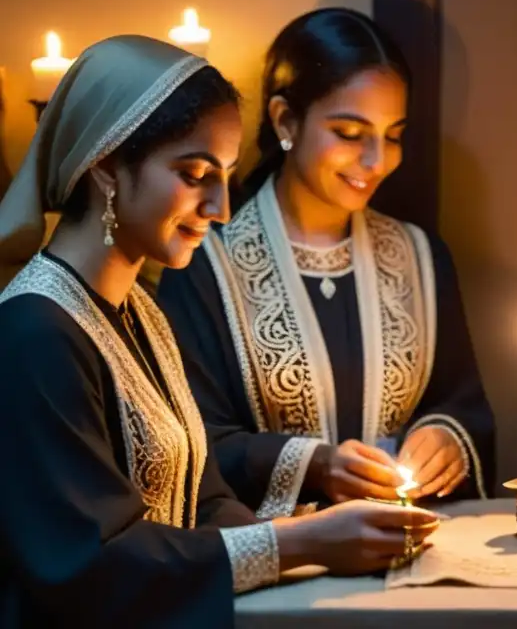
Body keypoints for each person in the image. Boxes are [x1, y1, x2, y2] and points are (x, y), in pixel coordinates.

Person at [0, 35, 438, 627]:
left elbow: (201, 498)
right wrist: (299, 544)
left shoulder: (141, 313)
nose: (221, 207)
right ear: (105, 168)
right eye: (195, 173)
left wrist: (314, 531)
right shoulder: (34, 333)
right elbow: (86, 563)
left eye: (226, 176)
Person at [157, 9, 495, 520]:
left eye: (394, 135)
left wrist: (446, 439)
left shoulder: (420, 258)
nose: (377, 161)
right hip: (280, 565)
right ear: (285, 120)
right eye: (350, 132)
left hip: (412, 545)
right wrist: (313, 466)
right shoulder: (206, 264)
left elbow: (461, 402)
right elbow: (187, 441)